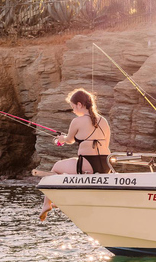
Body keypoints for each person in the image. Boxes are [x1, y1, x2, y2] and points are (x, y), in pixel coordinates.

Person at [39, 88, 111, 221]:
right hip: (106, 165)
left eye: (73, 107)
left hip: (88, 165)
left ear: (79, 104)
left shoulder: (77, 121)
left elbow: (69, 140)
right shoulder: (103, 121)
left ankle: (46, 204)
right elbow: (106, 143)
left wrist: (60, 139)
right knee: (72, 165)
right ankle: (60, 200)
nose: (73, 111)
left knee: (56, 168)